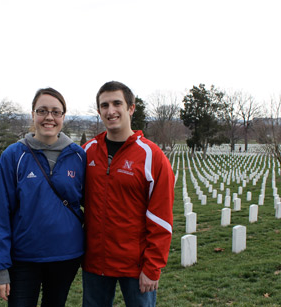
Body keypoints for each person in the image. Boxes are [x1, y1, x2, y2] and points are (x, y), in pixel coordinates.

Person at [0, 87, 86, 306]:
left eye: (55, 112)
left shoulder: (78, 156)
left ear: (63, 117)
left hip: (66, 256)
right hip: (24, 258)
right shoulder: (14, 155)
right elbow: (0, 213)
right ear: (33, 114)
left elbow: (95, 203)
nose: (49, 117)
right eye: (42, 111)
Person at [82, 81, 174, 307]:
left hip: (136, 265)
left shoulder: (152, 156)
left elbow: (161, 216)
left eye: (117, 103)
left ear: (131, 108)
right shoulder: (86, 151)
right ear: (99, 111)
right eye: (104, 105)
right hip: (95, 262)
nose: (110, 111)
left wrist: (153, 267)